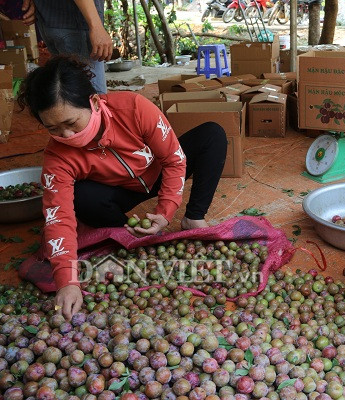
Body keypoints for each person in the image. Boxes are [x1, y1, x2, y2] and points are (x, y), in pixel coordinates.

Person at [17, 56, 228, 321]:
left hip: (155, 174)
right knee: (81, 197)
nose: (67, 136)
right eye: (54, 129)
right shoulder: (57, 156)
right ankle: (128, 233)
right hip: (116, 192)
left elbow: (174, 160)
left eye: (71, 123)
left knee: (212, 134)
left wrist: (165, 211)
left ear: (93, 103)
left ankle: (193, 217)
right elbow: (58, 217)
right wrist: (67, 281)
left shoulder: (134, 107)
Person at [32, 0, 112, 93]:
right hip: (76, 25)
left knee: (68, 94)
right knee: (94, 98)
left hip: (51, 20)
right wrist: (96, 26)